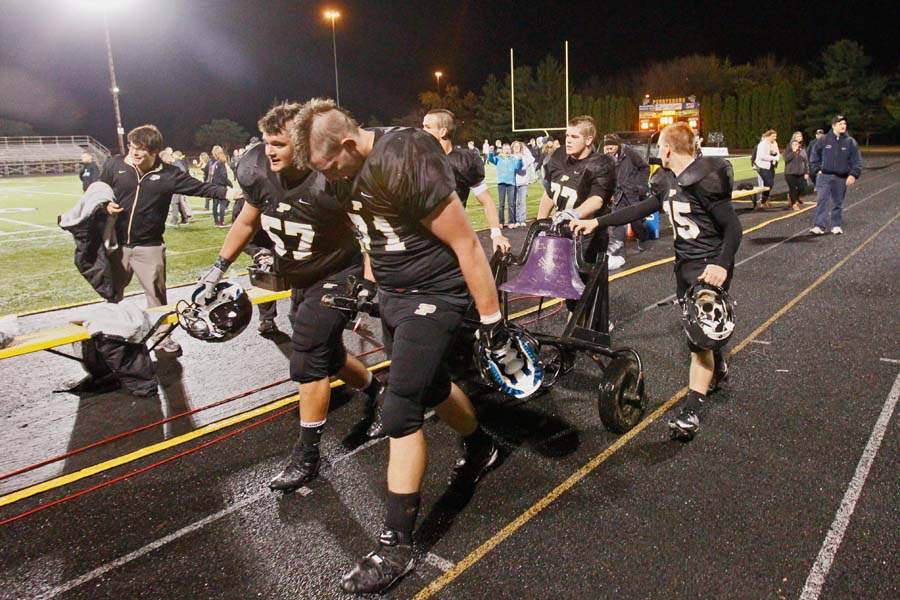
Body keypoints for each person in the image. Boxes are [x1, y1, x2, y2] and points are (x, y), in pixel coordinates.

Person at [293, 98, 522, 595]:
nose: (327, 176)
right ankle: (483, 446)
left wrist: (491, 321)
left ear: (350, 145)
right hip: (396, 295)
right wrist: (371, 288)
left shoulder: (404, 157)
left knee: (400, 407)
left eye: (329, 165)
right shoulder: (352, 165)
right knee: (432, 385)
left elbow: (465, 243)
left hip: (434, 294)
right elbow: (371, 234)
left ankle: (396, 543)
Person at [193, 102, 385, 492]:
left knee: (308, 355)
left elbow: (370, 231)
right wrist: (217, 268)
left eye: (279, 143)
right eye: (266, 142)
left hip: (337, 272)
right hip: (300, 276)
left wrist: (368, 281)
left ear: (303, 142)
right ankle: (379, 393)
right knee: (326, 353)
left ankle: (307, 455)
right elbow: (248, 219)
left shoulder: (330, 178)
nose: (270, 151)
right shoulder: (257, 169)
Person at [571, 123, 741, 441]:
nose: (655, 151)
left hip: (708, 269)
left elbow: (733, 228)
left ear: (666, 148)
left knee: (696, 344)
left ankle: (691, 410)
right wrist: (597, 221)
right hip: (684, 268)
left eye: (659, 146)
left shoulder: (706, 179)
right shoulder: (665, 179)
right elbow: (642, 208)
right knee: (699, 334)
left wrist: (721, 264)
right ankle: (716, 363)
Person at [100, 124, 236, 355]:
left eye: (141, 149)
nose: (134, 152)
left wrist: (230, 193)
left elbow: (200, 188)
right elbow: (99, 190)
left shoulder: (169, 174)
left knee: (156, 298)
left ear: (154, 152)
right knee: (112, 294)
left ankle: (162, 339)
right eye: (133, 146)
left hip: (149, 246)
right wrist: (104, 205)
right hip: (117, 244)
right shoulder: (115, 165)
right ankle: (112, 338)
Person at [536, 115, 616, 310]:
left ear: (589, 140)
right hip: (563, 232)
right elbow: (550, 194)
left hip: (589, 233)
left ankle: (596, 323)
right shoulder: (558, 156)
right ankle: (578, 317)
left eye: (574, 136)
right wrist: (540, 224)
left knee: (586, 284)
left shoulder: (601, 163)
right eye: (566, 135)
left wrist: (574, 213)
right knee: (567, 287)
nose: (568, 140)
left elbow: (597, 200)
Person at [422, 109, 511, 253]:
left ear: (442, 131)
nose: (422, 131)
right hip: (420, 238)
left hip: (452, 237)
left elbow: (486, 200)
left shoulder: (464, 161)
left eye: (427, 127)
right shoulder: (417, 158)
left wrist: (496, 235)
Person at [808, 115, 862, 235]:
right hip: (824, 176)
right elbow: (814, 155)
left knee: (838, 202)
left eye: (844, 124)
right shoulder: (824, 139)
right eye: (840, 124)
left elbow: (857, 161)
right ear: (833, 126)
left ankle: (836, 225)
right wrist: (816, 170)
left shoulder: (850, 142)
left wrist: (853, 175)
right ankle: (819, 226)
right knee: (822, 200)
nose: (843, 126)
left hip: (841, 177)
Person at [602, 134, 651, 267]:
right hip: (618, 194)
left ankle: (642, 237)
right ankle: (617, 251)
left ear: (617, 145)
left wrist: (640, 185)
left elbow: (645, 167)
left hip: (632, 193)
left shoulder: (629, 152)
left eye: (610, 147)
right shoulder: (606, 159)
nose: (608, 150)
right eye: (606, 148)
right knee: (617, 221)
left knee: (636, 221)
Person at [486, 143, 522, 227]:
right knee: (501, 204)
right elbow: (491, 159)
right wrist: (491, 152)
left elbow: (518, 167)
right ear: (502, 150)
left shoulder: (513, 158)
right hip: (501, 183)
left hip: (511, 183)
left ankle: (511, 222)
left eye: (508, 149)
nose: (507, 150)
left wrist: (520, 160)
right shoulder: (498, 158)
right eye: (505, 149)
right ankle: (500, 222)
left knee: (511, 203)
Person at [783, 132, 810, 211]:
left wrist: (806, 172)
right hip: (790, 172)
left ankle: (795, 197)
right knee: (793, 188)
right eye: (797, 136)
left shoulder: (802, 147)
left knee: (802, 188)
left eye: (800, 136)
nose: (800, 137)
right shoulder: (789, 147)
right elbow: (786, 159)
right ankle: (794, 203)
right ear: (794, 137)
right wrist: (794, 151)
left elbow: (805, 161)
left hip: (801, 172)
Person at [511, 140, 535, 228]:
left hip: (523, 181)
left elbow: (531, 161)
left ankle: (522, 220)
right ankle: (517, 220)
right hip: (514, 182)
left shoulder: (525, 156)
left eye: (518, 146)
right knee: (516, 202)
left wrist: (531, 176)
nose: (517, 148)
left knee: (523, 201)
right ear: (512, 148)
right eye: (515, 146)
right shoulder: (511, 157)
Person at [753, 130, 779, 208]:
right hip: (761, 166)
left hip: (770, 165)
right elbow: (762, 156)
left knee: (770, 184)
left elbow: (777, 152)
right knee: (769, 183)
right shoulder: (762, 144)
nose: (775, 138)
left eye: (775, 136)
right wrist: (773, 157)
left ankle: (764, 200)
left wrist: (776, 156)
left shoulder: (774, 143)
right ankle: (763, 201)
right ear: (768, 136)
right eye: (773, 136)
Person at [208, 145, 233, 227]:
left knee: (215, 204)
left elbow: (212, 175)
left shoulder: (213, 162)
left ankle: (216, 222)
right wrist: (230, 183)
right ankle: (221, 222)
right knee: (222, 203)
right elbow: (223, 176)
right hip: (221, 186)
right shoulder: (221, 162)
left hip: (214, 185)